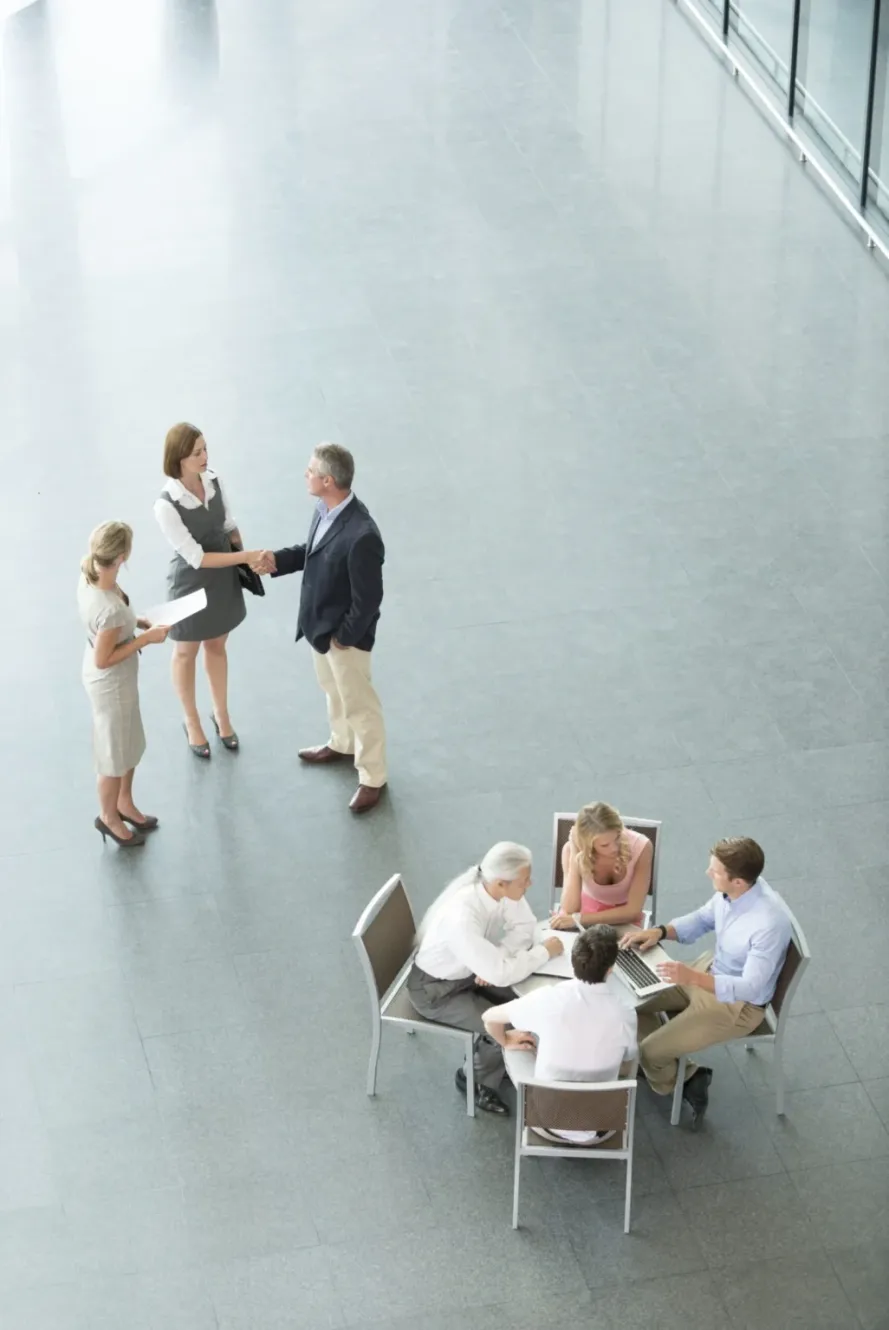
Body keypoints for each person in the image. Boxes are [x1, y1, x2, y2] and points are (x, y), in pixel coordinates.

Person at [621, 837, 791, 1128]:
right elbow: (702, 919)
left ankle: (670, 1078)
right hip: (709, 970)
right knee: (628, 1005)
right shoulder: (736, 893)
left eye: (715, 871)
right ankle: (688, 1073)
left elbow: (750, 986)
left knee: (648, 1051)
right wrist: (661, 932)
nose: (707, 873)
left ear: (737, 881)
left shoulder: (768, 924)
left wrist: (692, 978)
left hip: (737, 1005)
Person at [258, 444, 387, 814]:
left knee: (361, 706)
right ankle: (342, 743)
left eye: (311, 470)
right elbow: (312, 551)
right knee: (333, 691)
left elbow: (368, 600)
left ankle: (372, 776)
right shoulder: (325, 510)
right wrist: (277, 561)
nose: (305, 474)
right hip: (320, 629)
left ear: (328, 481)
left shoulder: (363, 535)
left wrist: (344, 638)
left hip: (344, 639)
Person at [406, 843, 564, 1115]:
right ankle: (473, 1079)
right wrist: (542, 953)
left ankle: (495, 1059)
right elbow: (501, 973)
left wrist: (495, 958)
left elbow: (525, 927)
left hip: (464, 974)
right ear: (502, 883)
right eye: (525, 880)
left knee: (524, 1002)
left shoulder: (501, 892)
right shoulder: (462, 917)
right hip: (434, 992)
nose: (530, 883)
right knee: (503, 1021)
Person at [154, 423, 264, 758]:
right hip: (189, 583)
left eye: (205, 449)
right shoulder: (166, 504)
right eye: (197, 452)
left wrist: (246, 563)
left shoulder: (213, 480)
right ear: (179, 459)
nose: (205, 457)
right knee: (186, 652)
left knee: (217, 646)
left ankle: (221, 715)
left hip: (223, 576)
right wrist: (244, 557)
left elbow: (229, 525)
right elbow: (196, 558)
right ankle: (192, 720)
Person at [482, 924, 638, 1144]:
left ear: (572, 963)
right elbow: (627, 1063)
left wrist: (507, 1040)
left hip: (545, 1120)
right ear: (610, 969)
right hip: (602, 1126)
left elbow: (489, 1019)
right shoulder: (626, 1013)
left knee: (524, 1036)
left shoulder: (547, 999)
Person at [78, 521, 170, 847]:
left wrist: (138, 623)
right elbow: (105, 658)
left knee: (127, 743)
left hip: (118, 679)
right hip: (110, 683)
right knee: (112, 756)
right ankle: (108, 816)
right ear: (121, 556)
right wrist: (146, 638)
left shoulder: (93, 576)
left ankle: (124, 802)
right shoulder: (108, 608)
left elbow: (115, 629)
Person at [550, 802, 653, 930]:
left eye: (617, 837)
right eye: (605, 845)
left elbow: (633, 911)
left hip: (623, 920)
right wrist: (575, 853)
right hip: (585, 913)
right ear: (588, 845)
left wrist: (580, 919)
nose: (614, 848)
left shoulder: (641, 847)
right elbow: (570, 909)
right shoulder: (572, 850)